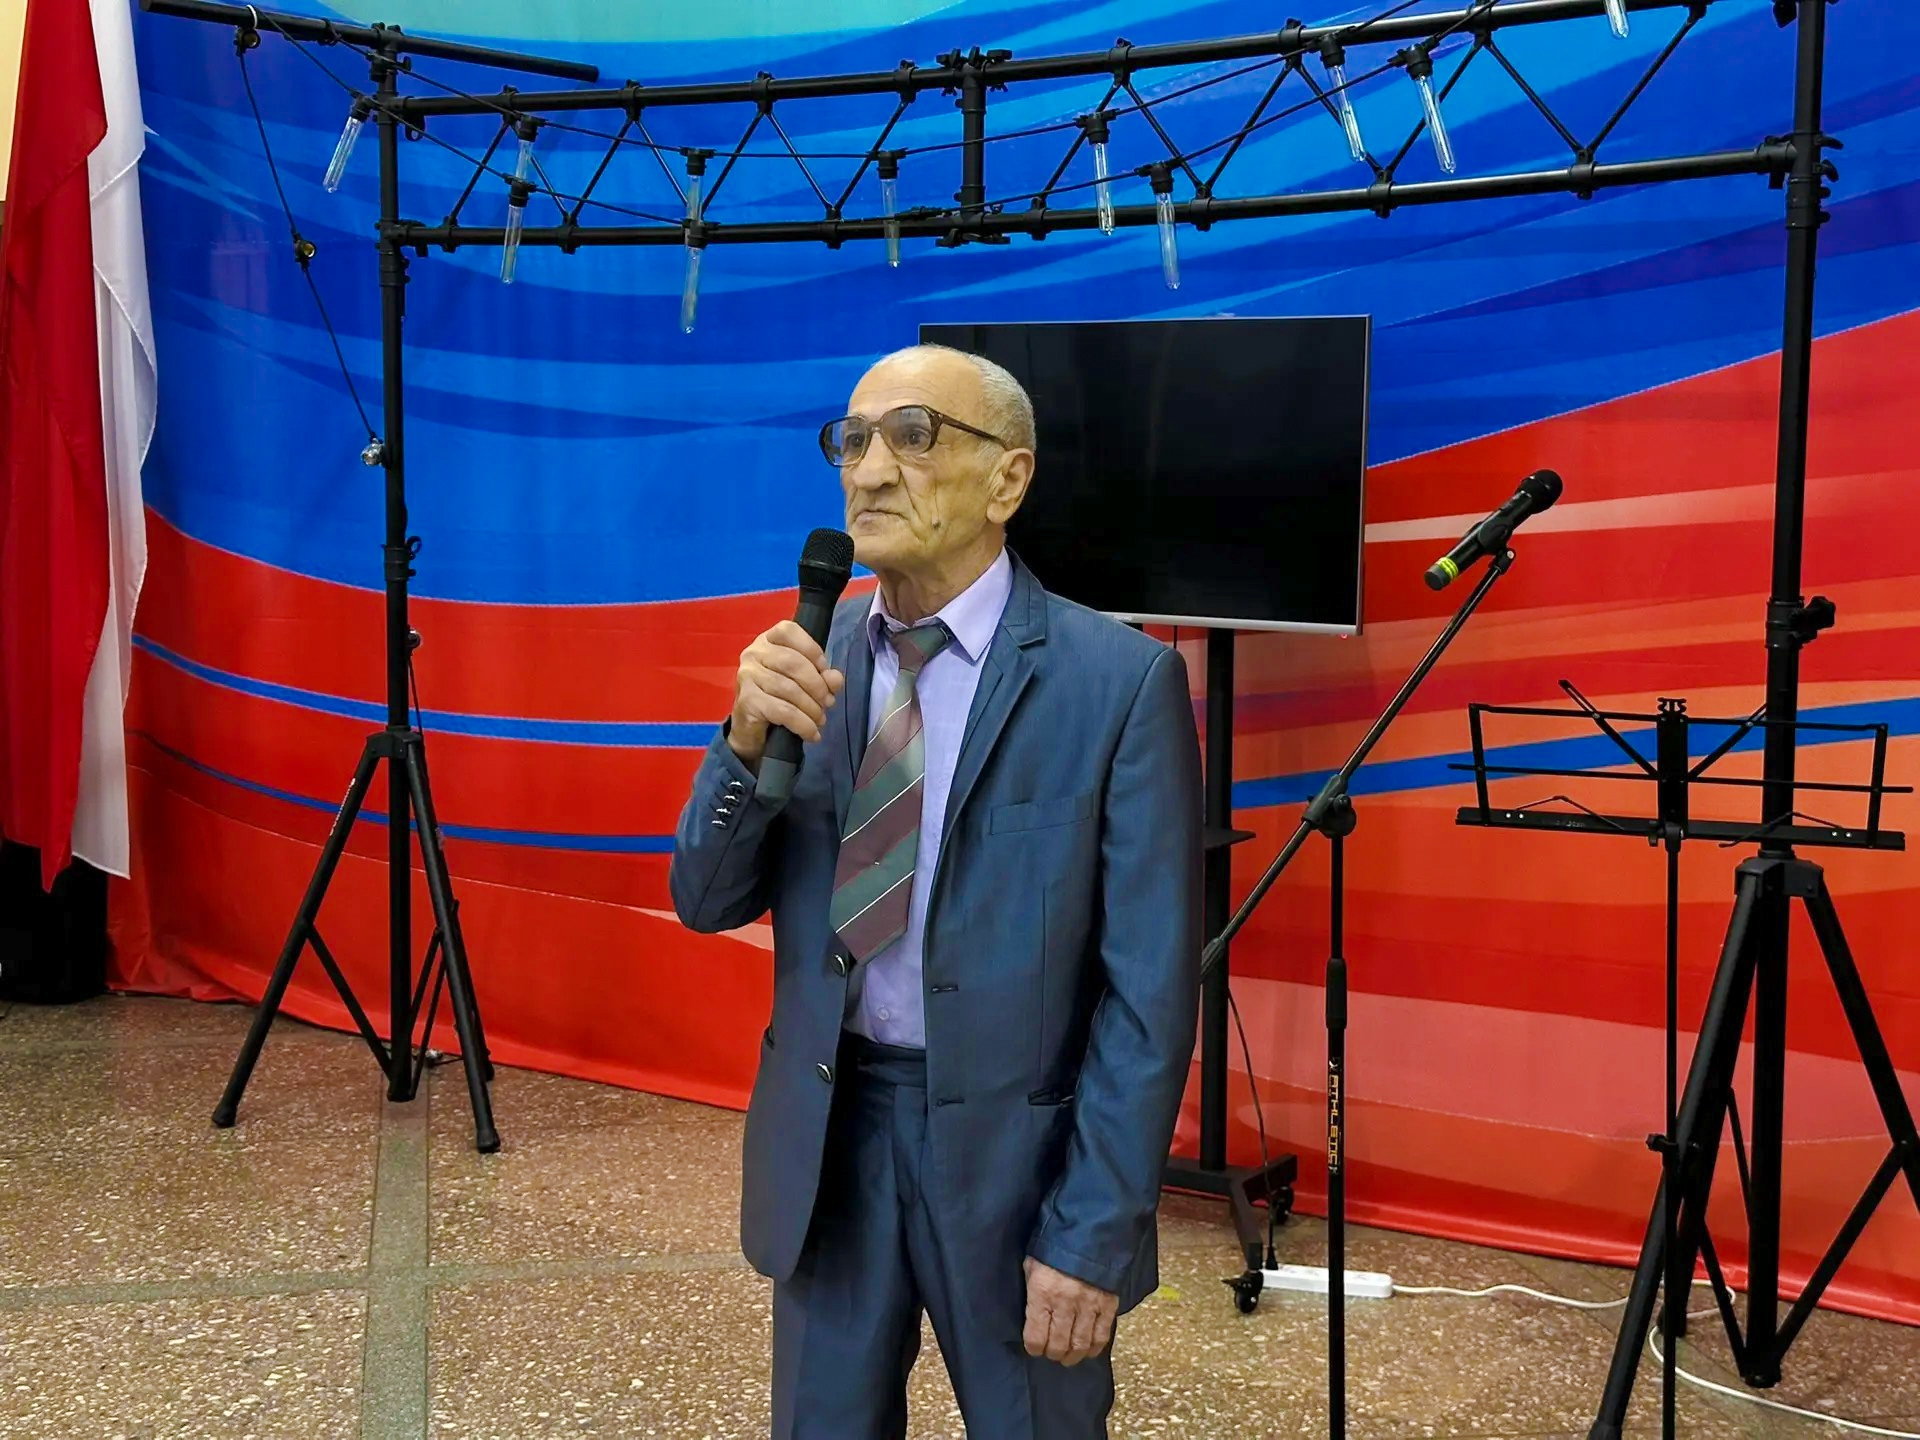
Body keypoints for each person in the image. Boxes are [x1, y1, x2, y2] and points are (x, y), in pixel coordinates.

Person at [669, 343, 1202, 1438]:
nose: (869, 470)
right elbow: (706, 899)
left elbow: (1148, 998)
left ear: (1008, 478)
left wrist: (1091, 1232)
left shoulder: (1117, 682)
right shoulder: (809, 665)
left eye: (913, 437)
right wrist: (744, 742)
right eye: (853, 441)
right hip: (833, 1140)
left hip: (1022, 1165)